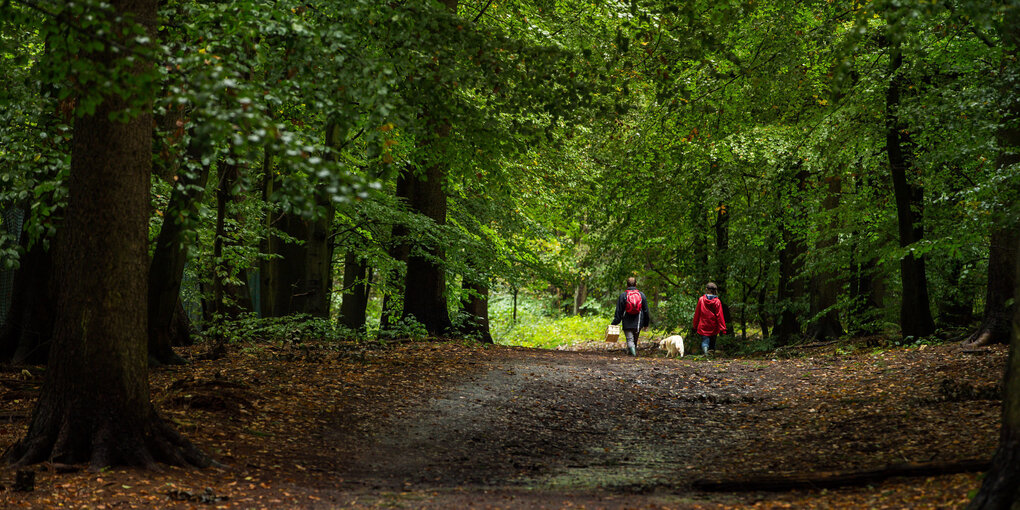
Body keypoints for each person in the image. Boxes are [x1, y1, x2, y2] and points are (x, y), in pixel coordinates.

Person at [611, 276, 651, 356]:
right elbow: (646, 310)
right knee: (634, 340)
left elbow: (619, 311)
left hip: (627, 322)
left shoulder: (623, 296)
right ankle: (633, 353)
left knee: (629, 339)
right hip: (639, 321)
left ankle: (633, 354)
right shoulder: (641, 295)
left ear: (627, 285)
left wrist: (614, 323)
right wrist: (646, 324)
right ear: (636, 284)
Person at [693, 282, 727, 355]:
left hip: (703, 325)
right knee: (713, 341)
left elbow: (697, 314)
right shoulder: (717, 301)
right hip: (713, 325)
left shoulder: (701, 300)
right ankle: (711, 354)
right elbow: (720, 315)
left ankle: (705, 353)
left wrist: (695, 325)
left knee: (704, 340)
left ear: (706, 289)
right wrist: (723, 328)